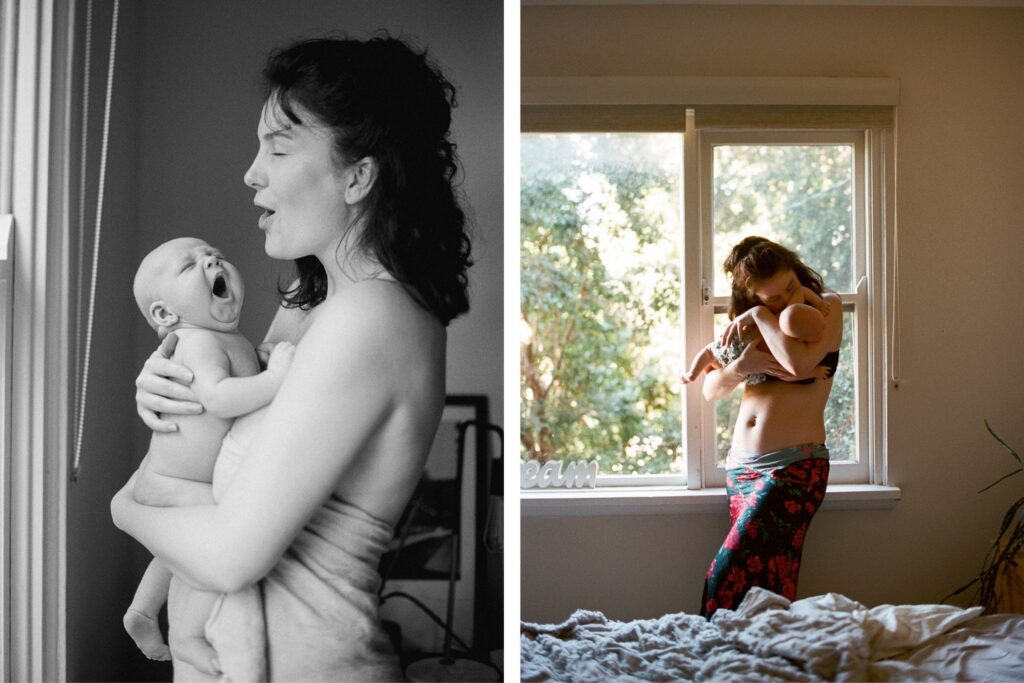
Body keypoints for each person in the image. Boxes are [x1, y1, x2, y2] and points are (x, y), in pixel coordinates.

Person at [111, 34, 472, 681]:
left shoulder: (370, 316)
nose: (252, 171)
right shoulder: (313, 309)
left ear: (358, 175)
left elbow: (229, 554)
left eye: (277, 147)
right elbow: (231, 444)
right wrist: (173, 387)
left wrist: (126, 506)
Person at [124, 237, 293, 679]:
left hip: (178, 481)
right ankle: (189, 637)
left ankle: (143, 610)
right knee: (203, 551)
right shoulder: (196, 341)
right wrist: (276, 378)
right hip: (174, 481)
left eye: (214, 254)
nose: (212, 260)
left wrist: (257, 364)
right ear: (165, 314)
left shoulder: (228, 339)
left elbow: (236, 387)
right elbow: (219, 398)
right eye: (190, 265)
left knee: (174, 554)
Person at [698, 236, 842, 618]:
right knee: (768, 580)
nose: (783, 300)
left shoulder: (823, 310)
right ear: (752, 296)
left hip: (794, 466)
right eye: (770, 299)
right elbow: (710, 389)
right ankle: (755, 664)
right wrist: (740, 368)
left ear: (797, 271)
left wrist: (760, 317)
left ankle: (706, 642)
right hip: (742, 468)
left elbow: (798, 367)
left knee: (728, 570)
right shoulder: (746, 327)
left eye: (789, 287)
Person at [680, 283, 831, 385]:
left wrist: (818, 303)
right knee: (710, 353)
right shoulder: (787, 349)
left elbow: (800, 291)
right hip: (738, 350)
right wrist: (814, 372)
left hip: (735, 350)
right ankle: (694, 373)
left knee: (709, 351)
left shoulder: (787, 313)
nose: (825, 327)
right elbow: (788, 375)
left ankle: (692, 374)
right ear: (800, 338)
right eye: (819, 329)